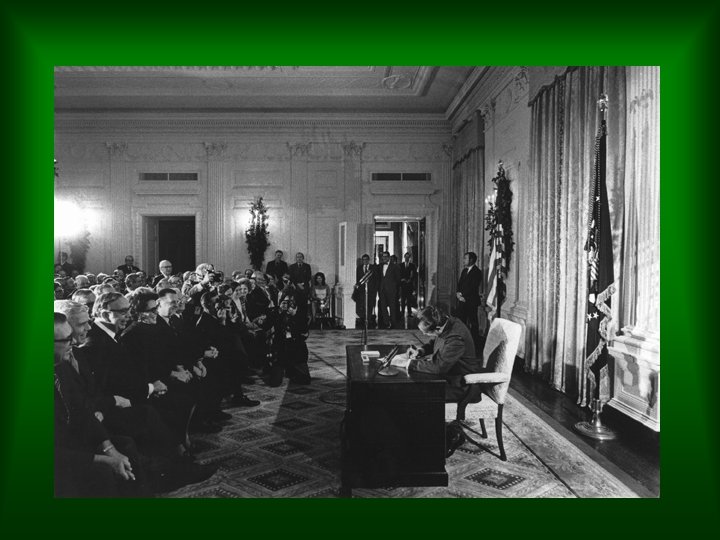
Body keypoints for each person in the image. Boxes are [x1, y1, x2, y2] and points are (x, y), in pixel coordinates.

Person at [54, 312, 150, 497]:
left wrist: (110, 450)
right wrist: (101, 458)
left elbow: (83, 411)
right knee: (103, 472)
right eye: (66, 339)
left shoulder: (62, 367)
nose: (73, 342)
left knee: (123, 448)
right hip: (58, 458)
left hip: (74, 445)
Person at [406, 305, 482, 457]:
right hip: (451, 376)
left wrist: (409, 364)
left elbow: (439, 367)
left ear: (438, 328)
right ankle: (424, 435)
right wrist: (421, 351)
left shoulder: (456, 337)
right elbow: (436, 341)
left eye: (426, 332)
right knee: (417, 390)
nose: (424, 334)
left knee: (420, 394)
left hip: (463, 385)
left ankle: (446, 437)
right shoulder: (448, 323)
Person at [456, 251, 484, 354]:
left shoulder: (477, 272)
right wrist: (458, 294)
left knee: (473, 323)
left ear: (471, 260)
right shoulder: (464, 271)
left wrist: (463, 296)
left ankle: (474, 345)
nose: (463, 260)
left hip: (471, 301)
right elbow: (460, 284)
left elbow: (473, 287)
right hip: (462, 301)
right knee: (461, 322)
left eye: (465, 258)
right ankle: (462, 343)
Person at [377, 251, 401, 329]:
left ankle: (393, 323)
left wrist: (394, 288)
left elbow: (398, 279)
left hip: (391, 290)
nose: (384, 258)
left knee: (392, 307)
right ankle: (386, 322)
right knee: (383, 306)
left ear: (389, 257)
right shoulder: (380, 266)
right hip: (382, 289)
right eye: (383, 256)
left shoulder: (395, 266)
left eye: (385, 256)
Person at [288, 252, 312, 321]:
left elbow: (308, 277)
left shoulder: (307, 266)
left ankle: (303, 321)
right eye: (298, 257)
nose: (299, 258)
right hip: (295, 288)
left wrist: (303, 284)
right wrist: (298, 284)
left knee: (304, 305)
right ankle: (296, 320)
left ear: (303, 258)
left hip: (304, 288)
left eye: (300, 257)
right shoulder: (292, 267)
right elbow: (291, 277)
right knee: (296, 304)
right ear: (296, 258)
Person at [399, 252, 417, 318]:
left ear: (409, 258)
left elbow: (414, 275)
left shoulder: (412, 266)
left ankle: (409, 312)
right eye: (406, 257)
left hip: (409, 285)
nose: (407, 258)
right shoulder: (400, 265)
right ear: (404, 257)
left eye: (408, 257)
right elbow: (399, 274)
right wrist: (402, 279)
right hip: (403, 285)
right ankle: (402, 312)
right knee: (403, 299)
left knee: (409, 299)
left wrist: (410, 280)